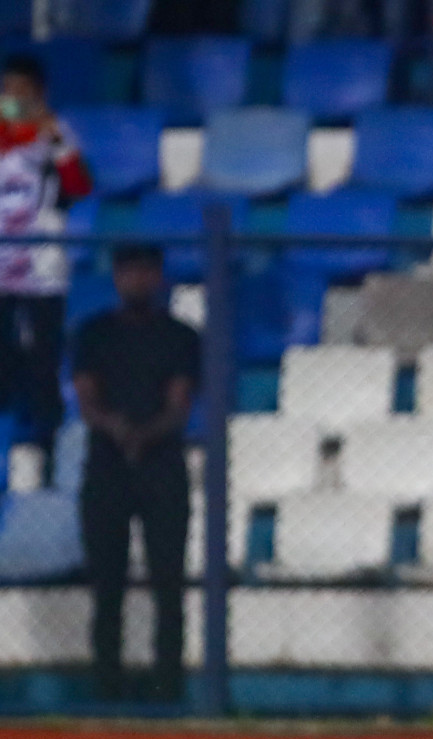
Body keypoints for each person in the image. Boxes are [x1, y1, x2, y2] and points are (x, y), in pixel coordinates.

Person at [73, 245, 201, 703]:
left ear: (159, 276)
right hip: (107, 467)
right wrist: (115, 428)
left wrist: (144, 434)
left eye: (145, 272)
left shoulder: (180, 336)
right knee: (106, 584)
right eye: (128, 272)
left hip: (162, 465)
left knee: (168, 581)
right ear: (116, 277)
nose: (137, 281)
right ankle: (107, 685)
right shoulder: (94, 334)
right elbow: (86, 398)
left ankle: (169, 686)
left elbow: (179, 402)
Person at [0, 53, 91, 487]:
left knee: (43, 363)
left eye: (23, 93)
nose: (14, 100)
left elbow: (79, 188)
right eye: (8, 91)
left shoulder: (57, 137)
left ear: (41, 95)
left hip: (42, 274)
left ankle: (50, 456)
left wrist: (57, 141)